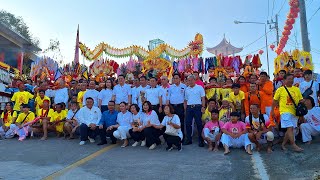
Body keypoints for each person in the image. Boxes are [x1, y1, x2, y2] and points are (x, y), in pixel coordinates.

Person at [271, 73, 304, 152]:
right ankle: (294, 145)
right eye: (289, 79)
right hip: (284, 111)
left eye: (292, 79)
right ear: (284, 80)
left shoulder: (296, 89)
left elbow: (300, 100)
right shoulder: (280, 89)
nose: (291, 80)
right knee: (290, 128)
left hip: (294, 112)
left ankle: (283, 144)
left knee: (290, 129)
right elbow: (274, 101)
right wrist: (272, 111)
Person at [184, 74, 206, 147]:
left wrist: (203, 106)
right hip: (189, 108)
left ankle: (201, 140)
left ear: (194, 80)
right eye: (188, 80)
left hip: (197, 107)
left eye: (191, 80)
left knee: (199, 124)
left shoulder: (199, 88)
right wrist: (185, 108)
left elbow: (203, 98)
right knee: (188, 124)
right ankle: (189, 139)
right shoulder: (187, 89)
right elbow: (185, 100)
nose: (190, 82)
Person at [167, 73, 186, 138]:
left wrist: (185, 107)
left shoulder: (184, 86)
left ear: (180, 79)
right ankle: (173, 136)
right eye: (174, 78)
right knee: (172, 121)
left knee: (181, 122)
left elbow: (185, 98)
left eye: (177, 78)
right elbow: (168, 98)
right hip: (172, 107)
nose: (175, 79)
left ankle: (182, 137)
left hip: (180, 106)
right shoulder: (171, 87)